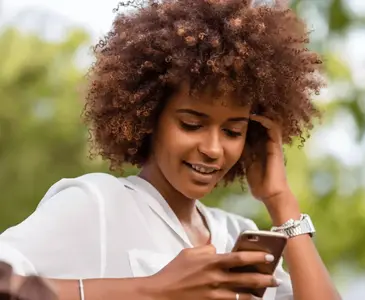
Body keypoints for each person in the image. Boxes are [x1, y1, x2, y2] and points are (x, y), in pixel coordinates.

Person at [0, 0, 340, 299]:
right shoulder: (98, 203)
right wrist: (153, 288)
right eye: (191, 124)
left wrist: (281, 201)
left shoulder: (236, 234)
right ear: (149, 117)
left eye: (232, 131)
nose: (212, 148)